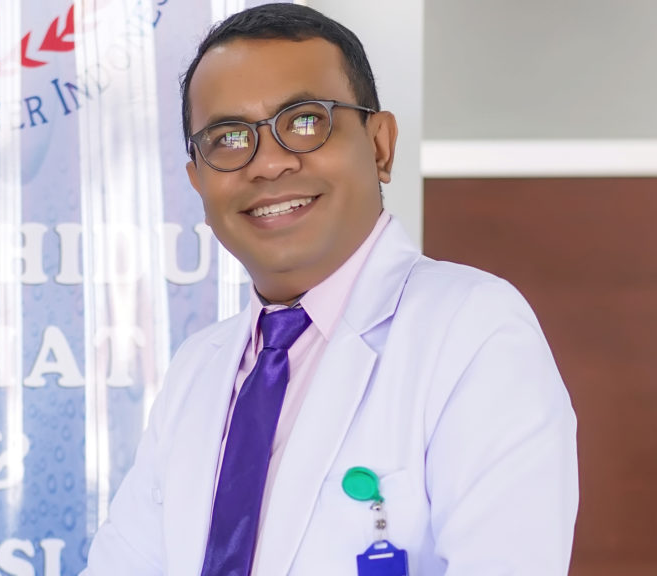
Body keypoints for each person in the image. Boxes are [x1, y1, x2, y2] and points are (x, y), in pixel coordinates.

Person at [82, 4, 578, 575]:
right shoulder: (197, 370)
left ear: (380, 145)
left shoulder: (474, 331)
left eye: (304, 122)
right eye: (229, 137)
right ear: (198, 180)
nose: (268, 164)